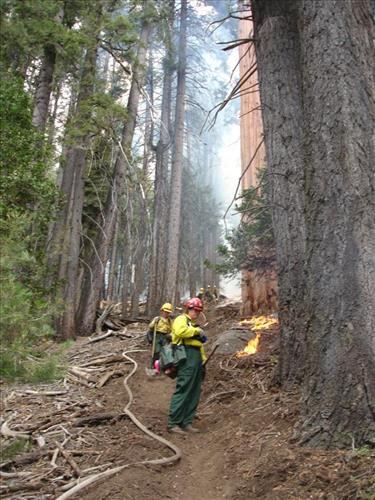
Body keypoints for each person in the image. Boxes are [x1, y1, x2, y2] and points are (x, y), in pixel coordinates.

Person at [168, 297, 207, 434]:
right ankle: (173, 423)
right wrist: (197, 331)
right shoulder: (181, 320)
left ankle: (187, 422)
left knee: (194, 391)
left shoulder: (192, 323)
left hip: (195, 357)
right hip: (186, 356)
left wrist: (202, 360)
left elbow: (199, 345)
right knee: (184, 388)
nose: (196, 313)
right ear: (188, 309)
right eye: (194, 310)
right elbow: (179, 332)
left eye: (198, 311)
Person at [146, 303, 174, 375]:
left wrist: (170, 335)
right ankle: (154, 368)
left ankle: (163, 367)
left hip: (165, 337)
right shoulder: (157, 319)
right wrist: (153, 323)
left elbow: (172, 330)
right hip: (157, 336)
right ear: (162, 311)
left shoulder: (170, 321)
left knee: (165, 352)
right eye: (165, 311)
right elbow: (150, 327)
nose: (166, 313)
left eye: (168, 312)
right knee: (156, 352)